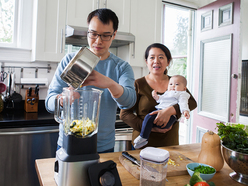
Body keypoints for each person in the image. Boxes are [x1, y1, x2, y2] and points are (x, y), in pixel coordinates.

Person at [45, 8, 136, 153]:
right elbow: (49, 102)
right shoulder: (69, 61)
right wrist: (62, 99)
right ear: (88, 31)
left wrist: (110, 84)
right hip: (68, 143)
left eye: (106, 35)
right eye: (93, 34)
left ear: (114, 34)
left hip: (103, 148)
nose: (98, 41)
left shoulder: (121, 67)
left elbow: (129, 101)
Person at [120, 43, 197, 148]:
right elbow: (124, 114)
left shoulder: (175, 82)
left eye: (161, 57)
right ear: (147, 62)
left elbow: (191, 102)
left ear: (168, 62)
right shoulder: (138, 84)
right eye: (152, 57)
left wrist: (170, 110)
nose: (156, 61)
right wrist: (149, 127)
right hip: (142, 146)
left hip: (169, 143)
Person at [134, 75, 191, 149]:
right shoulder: (168, 93)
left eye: (176, 84)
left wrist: (185, 111)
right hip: (159, 112)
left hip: (170, 118)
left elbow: (183, 103)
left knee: (150, 117)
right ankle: (144, 138)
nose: (173, 86)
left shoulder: (182, 94)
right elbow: (161, 99)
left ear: (184, 88)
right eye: (170, 84)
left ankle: (143, 137)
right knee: (148, 117)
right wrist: (156, 96)